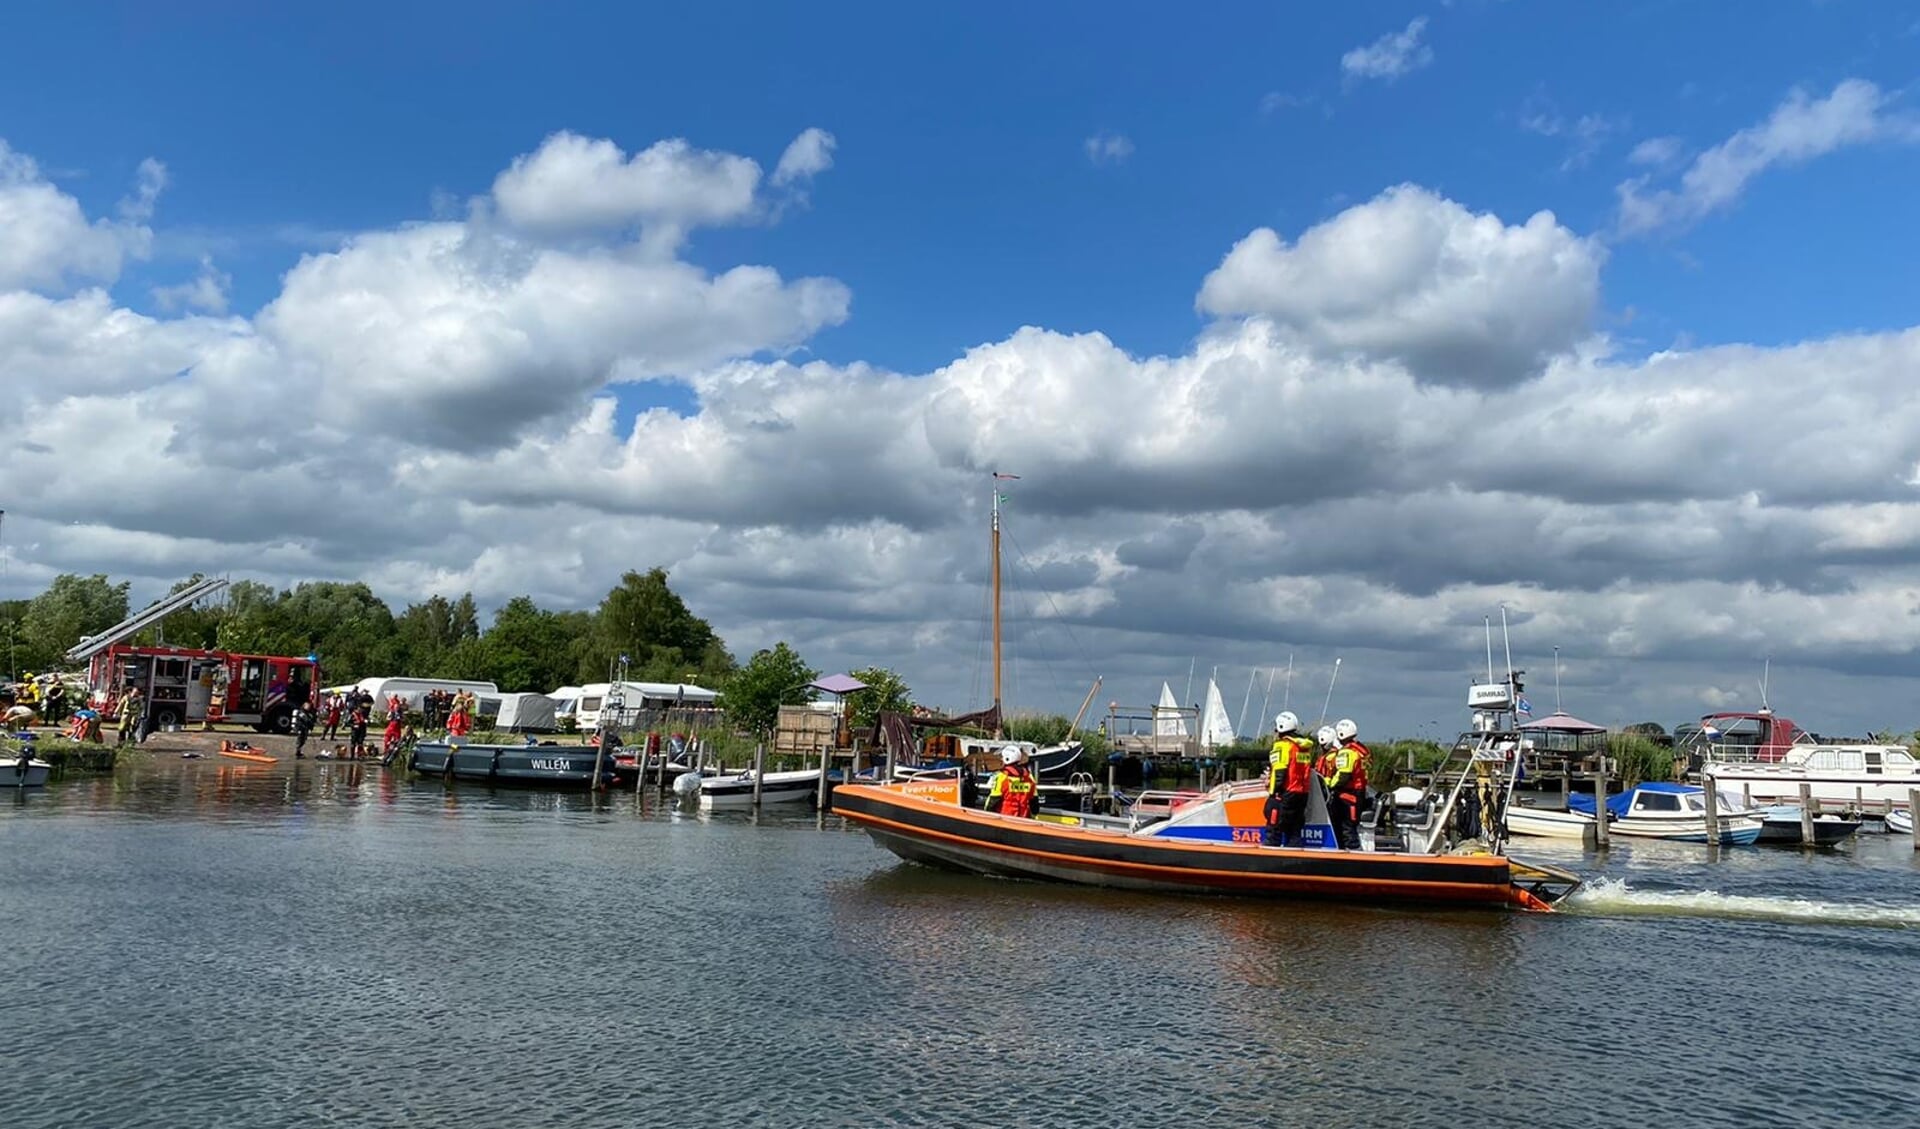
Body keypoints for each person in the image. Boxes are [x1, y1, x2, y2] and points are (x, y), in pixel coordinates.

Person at [1262, 711, 1315, 847]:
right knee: (1294, 831)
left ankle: (1270, 855)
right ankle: (1294, 858)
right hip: (1302, 794)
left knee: (1274, 828)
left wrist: (1274, 793)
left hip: (1285, 793)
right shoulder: (1303, 748)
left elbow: (1280, 772)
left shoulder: (1282, 746)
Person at [1325, 718, 1370, 850]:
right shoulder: (1361, 750)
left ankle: (1354, 856)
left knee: (1346, 829)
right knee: (1349, 827)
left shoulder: (1347, 753)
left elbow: (1343, 776)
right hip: (1359, 793)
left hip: (1348, 796)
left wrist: (1328, 782)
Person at [984, 746, 1038, 818]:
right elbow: (1034, 801)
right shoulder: (1029, 777)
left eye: (1002, 757)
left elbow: (993, 800)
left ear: (1007, 758)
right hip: (1023, 818)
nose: (1001, 759)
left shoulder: (1002, 776)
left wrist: (987, 814)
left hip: (1005, 818)